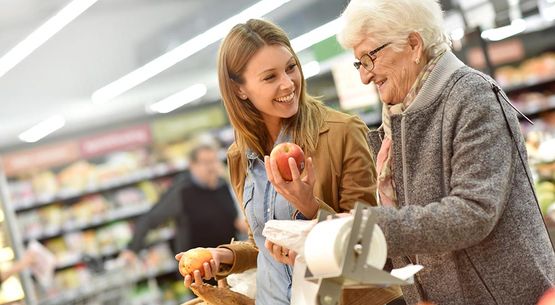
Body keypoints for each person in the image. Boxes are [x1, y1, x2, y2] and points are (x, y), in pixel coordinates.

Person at [334, 0, 555, 304]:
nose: (364, 76)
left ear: (413, 44)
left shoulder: (471, 96)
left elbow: (474, 212)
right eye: (358, 63)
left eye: (369, 58)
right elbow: (408, 239)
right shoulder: (396, 120)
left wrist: (373, 226)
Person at [176, 19, 403, 305]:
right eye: (270, 77)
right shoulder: (240, 156)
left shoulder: (342, 132)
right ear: (239, 90)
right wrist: (227, 256)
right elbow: (263, 242)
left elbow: (368, 243)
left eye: (291, 67)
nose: (288, 83)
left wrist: (309, 207)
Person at [121, 144, 244, 263]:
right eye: (206, 162)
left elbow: (232, 218)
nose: (212, 167)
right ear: (192, 165)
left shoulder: (222, 185)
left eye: (214, 161)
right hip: (197, 265)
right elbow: (151, 218)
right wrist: (132, 248)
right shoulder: (182, 191)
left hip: (227, 260)